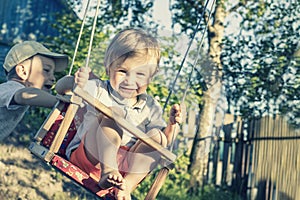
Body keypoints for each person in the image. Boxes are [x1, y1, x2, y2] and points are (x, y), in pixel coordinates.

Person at [66, 28, 182, 200]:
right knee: (114, 114)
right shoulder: (98, 88)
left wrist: (172, 125)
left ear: (151, 77)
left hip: (124, 169)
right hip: (90, 156)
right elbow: (63, 90)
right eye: (122, 71)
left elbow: (163, 143)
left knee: (158, 137)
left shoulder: (151, 106)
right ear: (108, 68)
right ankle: (108, 171)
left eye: (140, 74)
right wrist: (75, 82)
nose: (130, 81)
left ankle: (125, 187)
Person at [0, 41, 89, 141]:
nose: (53, 78)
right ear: (23, 71)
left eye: (53, 73)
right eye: (46, 70)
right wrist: (60, 103)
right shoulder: (11, 88)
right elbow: (24, 95)